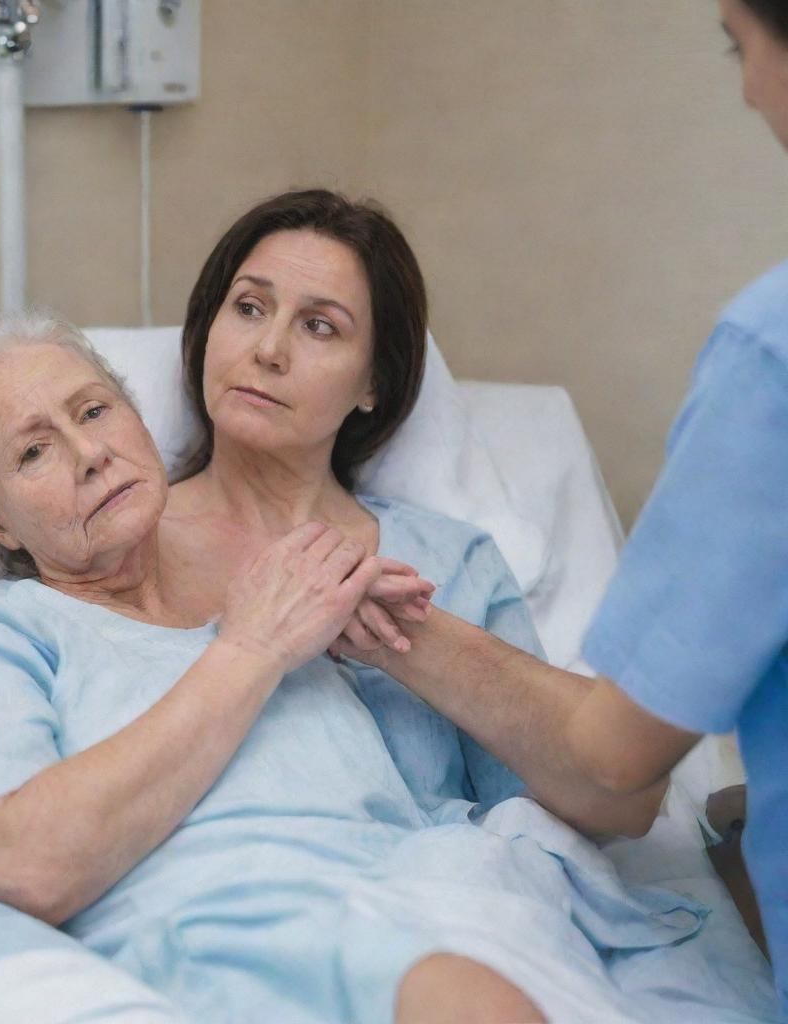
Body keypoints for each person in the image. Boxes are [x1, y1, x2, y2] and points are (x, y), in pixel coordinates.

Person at [0, 311, 727, 1024]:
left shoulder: (292, 608)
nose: (88, 453)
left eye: (93, 412)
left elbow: (588, 802)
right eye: (33, 452)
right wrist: (252, 651)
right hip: (234, 937)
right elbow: (26, 864)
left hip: (430, 903)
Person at [333, 0, 788, 1015]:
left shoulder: (772, 359)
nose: (749, 86)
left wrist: (385, 626)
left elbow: (610, 774)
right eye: (244, 306)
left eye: (735, 43)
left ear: (378, 383)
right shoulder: (30, 603)